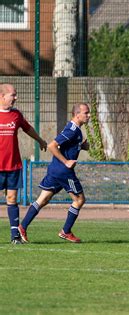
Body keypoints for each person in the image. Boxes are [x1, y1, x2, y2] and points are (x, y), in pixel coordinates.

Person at [18, 103, 91, 243]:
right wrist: (66, 162)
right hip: (64, 172)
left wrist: (81, 147)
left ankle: (22, 226)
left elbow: (66, 146)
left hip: (55, 170)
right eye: (86, 113)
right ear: (77, 114)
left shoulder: (77, 131)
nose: (89, 116)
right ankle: (66, 231)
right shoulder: (72, 129)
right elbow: (52, 145)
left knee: (43, 200)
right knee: (79, 200)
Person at [0, 83, 47, 244]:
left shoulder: (16, 115)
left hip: (13, 166)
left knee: (12, 198)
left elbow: (28, 128)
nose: (16, 97)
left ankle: (15, 236)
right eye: (13, 94)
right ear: (2, 96)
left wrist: (40, 140)